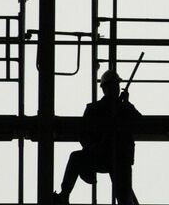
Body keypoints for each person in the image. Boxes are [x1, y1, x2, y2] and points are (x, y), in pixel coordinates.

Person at [52, 70, 142, 205]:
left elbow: (141, 123)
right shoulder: (96, 109)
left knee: (124, 198)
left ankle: (64, 195)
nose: (115, 89)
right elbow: (83, 134)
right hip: (109, 156)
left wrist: (127, 104)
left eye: (116, 86)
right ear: (105, 89)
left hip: (119, 158)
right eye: (113, 86)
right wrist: (92, 147)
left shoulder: (121, 107)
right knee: (75, 158)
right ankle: (64, 195)